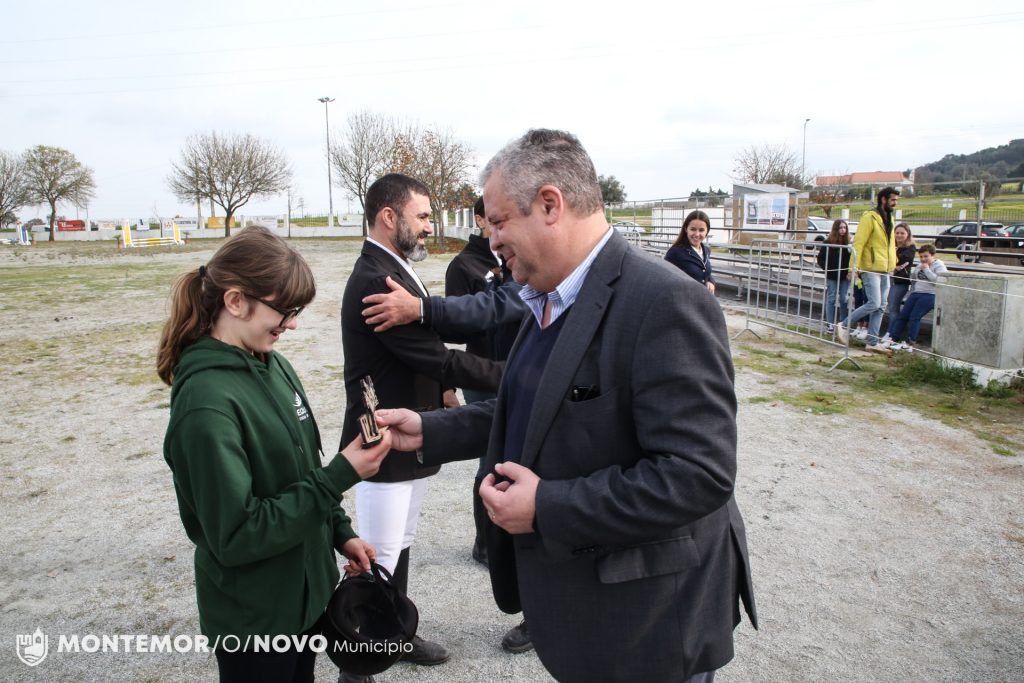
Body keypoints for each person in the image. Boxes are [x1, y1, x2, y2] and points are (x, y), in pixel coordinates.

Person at [375, 129, 757, 683]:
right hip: (595, 616)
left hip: (649, 624)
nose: (491, 239)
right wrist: (430, 430)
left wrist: (547, 506)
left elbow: (698, 475)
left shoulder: (665, 302)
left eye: (499, 221)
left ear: (550, 205)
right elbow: (535, 409)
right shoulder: (548, 294)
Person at [158, 226, 392, 683]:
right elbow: (236, 536)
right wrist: (340, 475)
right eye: (285, 311)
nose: (293, 324)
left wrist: (340, 533)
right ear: (235, 301)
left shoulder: (273, 364)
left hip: (304, 602)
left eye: (296, 311)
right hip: (256, 622)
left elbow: (301, 470)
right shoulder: (206, 405)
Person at [339, 173, 504, 673]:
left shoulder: (395, 267)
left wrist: (444, 395)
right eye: (424, 216)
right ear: (389, 217)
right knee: (378, 556)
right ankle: (357, 664)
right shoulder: (376, 279)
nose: (430, 226)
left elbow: (426, 355)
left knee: (400, 543)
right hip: (382, 438)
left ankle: (396, 634)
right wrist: (513, 377)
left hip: (409, 430)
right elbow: (435, 357)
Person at [836, 187, 900, 352]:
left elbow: (891, 244)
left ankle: (872, 342)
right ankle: (844, 325)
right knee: (874, 303)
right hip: (870, 267)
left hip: (886, 268)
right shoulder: (869, 217)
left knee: (881, 306)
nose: (895, 203)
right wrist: (853, 267)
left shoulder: (890, 219)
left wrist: (894, 262)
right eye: (893, 200)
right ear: (883, 199)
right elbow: (859, 243)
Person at [887, 244, 947, 351]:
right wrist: (911, 292)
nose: (923, 259)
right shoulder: (919, 266)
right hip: (916, 293)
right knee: (903, 315)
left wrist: (927, 270)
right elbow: (914, 280)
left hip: (930, 294)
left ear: (933, 255)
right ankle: (893, 338)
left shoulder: (939, 266)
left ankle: (910, 342)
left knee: (914, 317)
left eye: (926, 256)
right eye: (921, 257)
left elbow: (938, 281)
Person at [815, 219, 853, 334]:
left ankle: (843, 323)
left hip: (845, 275)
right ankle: (830, 324)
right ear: (836, 229)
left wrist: (850, 271)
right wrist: (828, 268)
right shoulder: (828, 242)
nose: (843, 230)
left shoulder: (849, 242)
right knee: (831, 298)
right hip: (832, 275)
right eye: (840, 228)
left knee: (844, 298)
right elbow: (820, 258)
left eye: (845, 228)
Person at [665, 209, 716, 293]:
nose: (697, 234)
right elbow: (665, 278)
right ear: (686, 229)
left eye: (701, 230)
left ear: (707, 231)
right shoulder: (675, 252)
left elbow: (705, 272)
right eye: (693, 229)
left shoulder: (706, 250)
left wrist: (711, 281)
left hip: (703, 299)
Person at [883, 222, 916, 340]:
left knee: (893, 307)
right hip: (888, 278)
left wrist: (892, 259)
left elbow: (903, 259)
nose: (899, 235)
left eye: (902, 233)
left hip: (900, 281)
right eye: (897, 233)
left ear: (908, 234)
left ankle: (891, 333)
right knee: (888, 306)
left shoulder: (910, 247)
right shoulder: (891, 245)